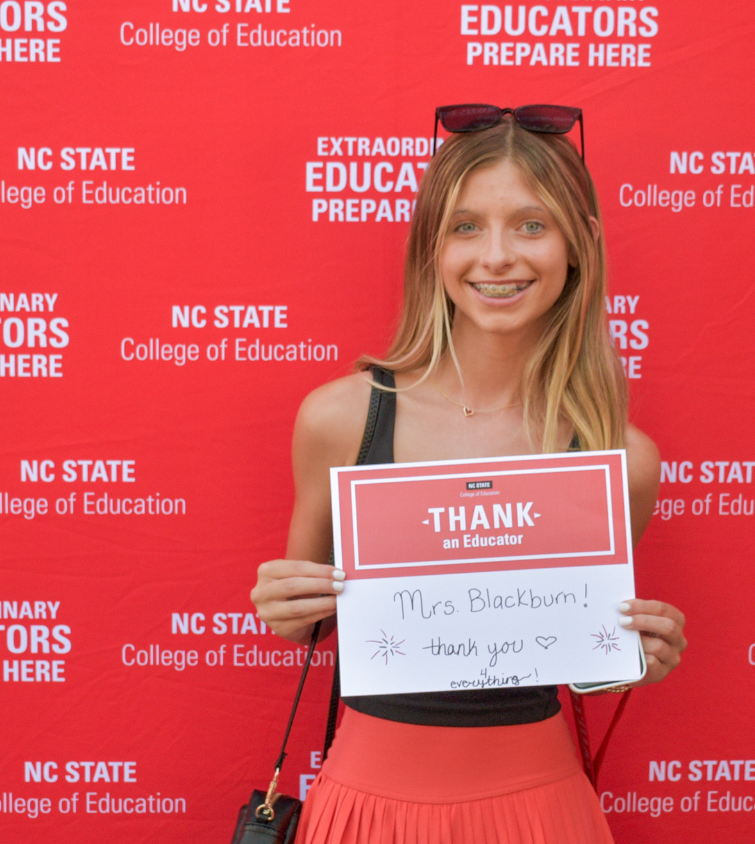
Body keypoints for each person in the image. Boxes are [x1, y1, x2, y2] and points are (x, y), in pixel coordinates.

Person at [250, 104, 687, 844]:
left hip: (541, 812)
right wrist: (287, 605)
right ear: (432, 249)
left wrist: (635, 658)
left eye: (531, 224)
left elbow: (580, 656)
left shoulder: (621, 457)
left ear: (577, 246)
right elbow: (311, 624)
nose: (497, 257)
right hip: (366, 808)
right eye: (465, 226)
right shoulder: (340, 418)